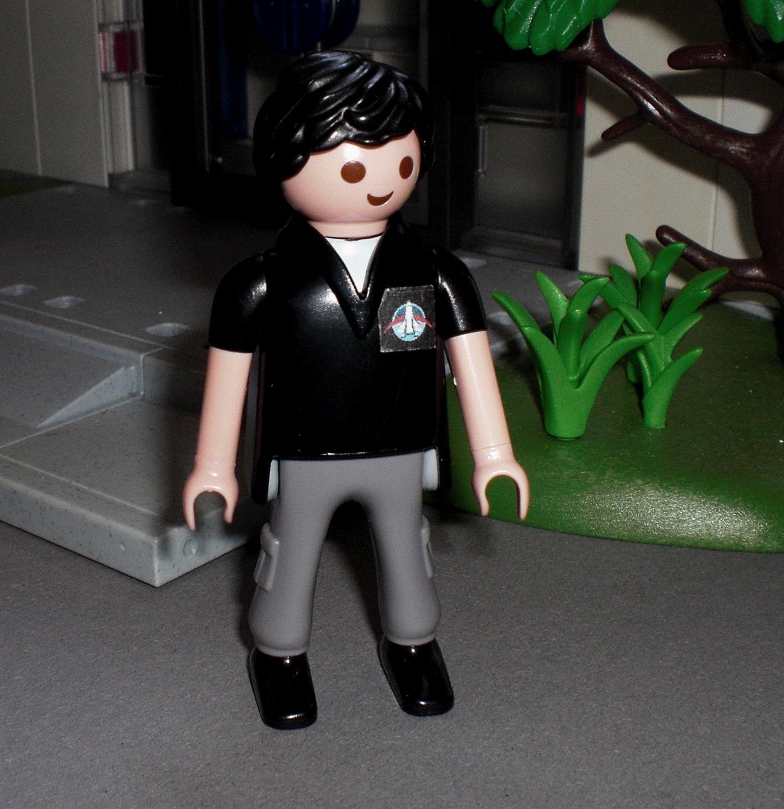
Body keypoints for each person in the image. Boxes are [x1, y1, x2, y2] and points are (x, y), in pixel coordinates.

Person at [183, 50, 529, 730]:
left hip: (401, 445)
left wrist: (495, 454)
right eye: (352, 168)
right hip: (304, 449)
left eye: (401, 164)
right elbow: (228, 376)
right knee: (291, 551)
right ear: (283, 161)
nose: (378, 185)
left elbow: (471, 364)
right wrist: (213, 465)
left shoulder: (434, 272)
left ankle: (413, 644)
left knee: (406, 549)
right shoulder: (260, 281)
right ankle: (279, 653)